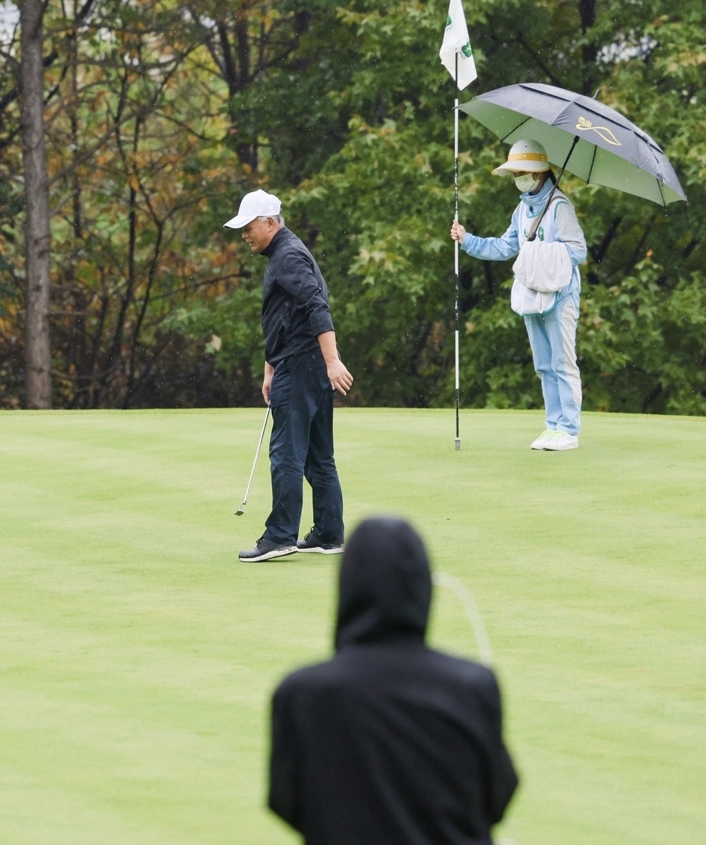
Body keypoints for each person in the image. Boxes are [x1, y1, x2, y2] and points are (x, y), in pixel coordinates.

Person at [268, 516, 519, 844]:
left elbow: (287, 802)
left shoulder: (301, 694)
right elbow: (497, 796)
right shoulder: (472, 686)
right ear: (422, 589)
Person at [225, 189, 353, 562]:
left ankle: (280, 535)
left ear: (269, 222)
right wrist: (270, 366)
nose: (244, 235)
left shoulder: (289, 255)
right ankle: (329, 533)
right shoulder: (286, 252)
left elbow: (315, 306)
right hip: (300, 363)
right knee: (318, 454)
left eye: (248, 227)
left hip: (303, 366)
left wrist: (332, 361)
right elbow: (285, 318)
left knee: (286, 455)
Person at [452, 138, 588, 451]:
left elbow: (578, 251)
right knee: (543, 364)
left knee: (562, 362)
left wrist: (542, 253)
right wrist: (467, 239)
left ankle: (568, 429)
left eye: (522, 172)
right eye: (515, 173)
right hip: (532, 296)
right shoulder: (522, 209)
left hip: (560, 295)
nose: (518, 179)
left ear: (539, 174)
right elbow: (506, 246)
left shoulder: (559, 207)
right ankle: (552, 426)